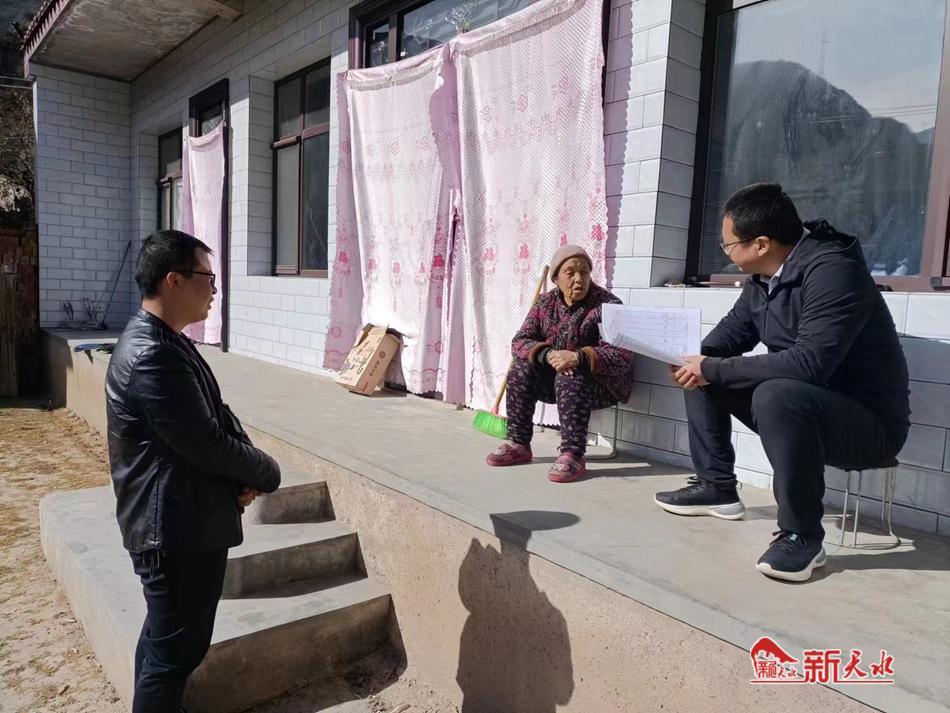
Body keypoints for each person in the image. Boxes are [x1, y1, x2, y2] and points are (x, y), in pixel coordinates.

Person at [654, 183, 910, 582]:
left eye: (727, 245)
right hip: (802, 409)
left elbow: (810, 363)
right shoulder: (763, 279)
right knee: (703, 372)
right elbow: (728, 337)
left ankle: (802, 535)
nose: (725, 253)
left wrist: (711, 366)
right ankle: (717, 486)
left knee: (773, 390)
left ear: (761, 244)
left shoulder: (834, 271)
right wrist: (688, 359)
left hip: (869, 426)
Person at [106, 230, 282, 712]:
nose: (214, 290)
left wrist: (243, 471)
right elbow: (205, 443)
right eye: (208, 278)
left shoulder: (168, 341)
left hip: (182, 518)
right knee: (174, 654)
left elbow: (216, 416)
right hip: (173, 533)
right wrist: (265, 472)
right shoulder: (152, 355)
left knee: (165, 643)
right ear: (174, 281)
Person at [485, 244, 635, 482]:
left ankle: (573, 454)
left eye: (584, 272)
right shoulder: (545, 303)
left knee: (570, 374)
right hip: (556, 381)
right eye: (570, 272)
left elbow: (622, 355)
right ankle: (518, 443)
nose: (578, 279)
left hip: (600, 385)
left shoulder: (608, 306)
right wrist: (547, 355)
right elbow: (519, 341)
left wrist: (578, 357)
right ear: (556, 279)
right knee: (521, 369)